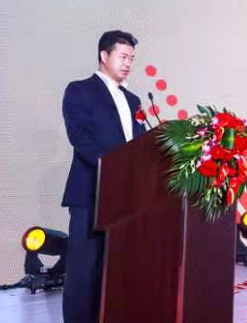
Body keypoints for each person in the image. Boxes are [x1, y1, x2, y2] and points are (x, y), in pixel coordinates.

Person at [61, 30, 146, 323]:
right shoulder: (80, 90)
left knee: (117, 269)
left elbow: (140, 145)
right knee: (84, 269)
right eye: (123, 57)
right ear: (103, 56)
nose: (128, 64)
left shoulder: (133, 100)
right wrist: (113, 168)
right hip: (90, 193)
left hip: (126, 199)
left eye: (131, 59)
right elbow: (79, 137)